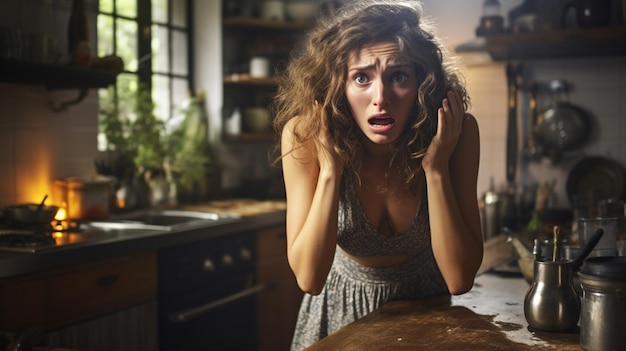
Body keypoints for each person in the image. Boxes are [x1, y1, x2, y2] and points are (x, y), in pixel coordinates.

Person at [271, 1, 483, 349]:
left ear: (422, 85)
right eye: (361, 78)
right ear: (339, 86)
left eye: (398, 76)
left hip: (426, 316)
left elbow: (459, 279)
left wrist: (436, 168)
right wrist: (331, 171)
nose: (380, 98)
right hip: (337, 319)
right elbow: (309, 279)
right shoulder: (305, 135)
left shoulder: (456, 134)